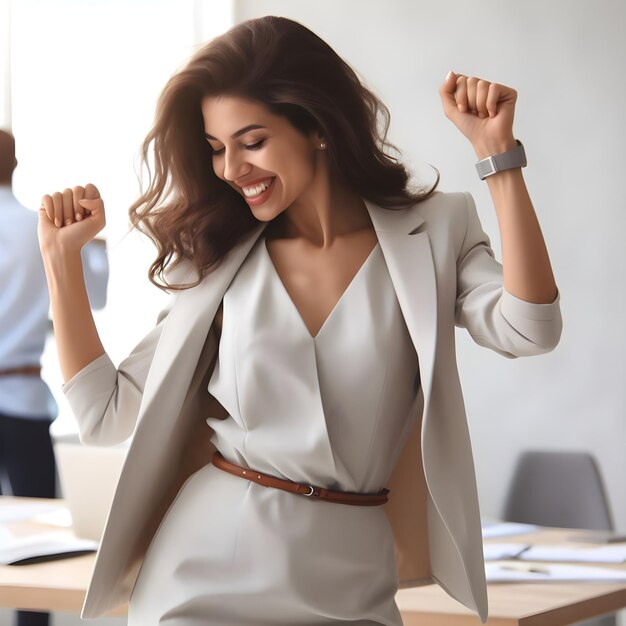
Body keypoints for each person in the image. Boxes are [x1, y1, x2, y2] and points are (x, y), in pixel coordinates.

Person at [37, 16, 561, 626]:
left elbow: (530, 328)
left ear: (316, 126)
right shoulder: (217, 255)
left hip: (352, 577)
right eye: (215, 148)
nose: (230, 168)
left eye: (251, 141)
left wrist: (498, 157)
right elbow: (104, 416)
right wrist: (60, 261)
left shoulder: (435, 232)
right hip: (206, 572)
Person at [0, 129, 58, 626]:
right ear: (14, 163)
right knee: (38, 542)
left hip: (22, 396)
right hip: (23, 401)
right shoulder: (40, 227)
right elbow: (94, 296)